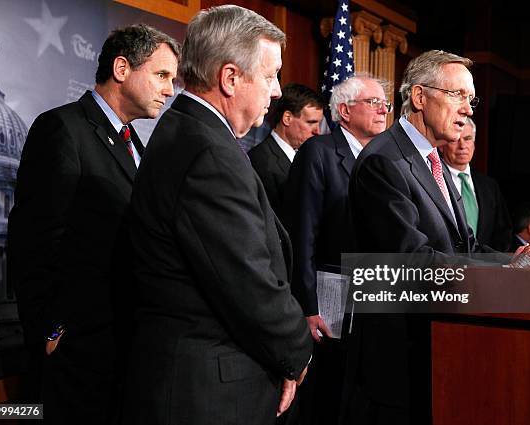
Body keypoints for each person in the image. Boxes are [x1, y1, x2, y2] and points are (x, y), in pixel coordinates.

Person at [348, 50, 530, 424]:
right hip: (402, 356)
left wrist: (523, 261)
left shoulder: (432, 160)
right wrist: (509, 275)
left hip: (444, 345)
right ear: (419, 97)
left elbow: (468, 247)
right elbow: (412, 262)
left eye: (471, 99)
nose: (468, 109)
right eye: (458, 95)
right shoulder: (385, 160)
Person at [120, 5, 312, 425]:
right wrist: (298, 351)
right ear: (230, 78)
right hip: (208, 394)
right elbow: (247, 281)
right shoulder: (208, 151)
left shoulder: (192, 134)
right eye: (269, 75)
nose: (277, 91)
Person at [6, 24, 179, 424]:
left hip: (123, 346)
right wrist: (51, 329)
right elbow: (33, 237)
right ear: (122, 68)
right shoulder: (62, 129)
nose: (170, 90)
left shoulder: (135, 141)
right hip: (75, 350)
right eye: (162, 75)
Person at [283, 74, 390, 425]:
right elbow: (302, 234)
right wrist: (308, 304)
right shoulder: (319, 152)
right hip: (328, 299)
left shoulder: (381, 158)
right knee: (327, 398)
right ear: (344, 110)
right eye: (373, 102)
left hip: (370, 299)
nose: (383, 110)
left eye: (385, 104)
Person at [248, 83, 324, 220]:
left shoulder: (309, 157)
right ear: (287, 118)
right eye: (311, 122)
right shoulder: (260, 160)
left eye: (319, 124)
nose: (317, 131)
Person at [438, 117, 512, 251]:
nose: (462, 146)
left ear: (474, 143)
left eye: (467, 139)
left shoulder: (489, 186)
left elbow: (503, 232)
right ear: (441, 145)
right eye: (455, 140)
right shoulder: (435, 181)